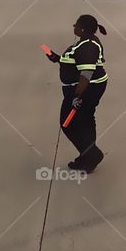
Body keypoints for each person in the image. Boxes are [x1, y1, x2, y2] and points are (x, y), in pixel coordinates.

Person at [45, 14, 108, 173]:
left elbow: (86, 74)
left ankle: (93, 155)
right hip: (89, 88)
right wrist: (58, 59)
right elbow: (75, 62)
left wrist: (77, 96)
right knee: (86, 120)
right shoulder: (87, 41)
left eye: (76, 25)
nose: (73, 27)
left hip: (87, 90)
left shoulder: (88, 46)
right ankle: (87, 156)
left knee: (67, 123)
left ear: (82, 29)